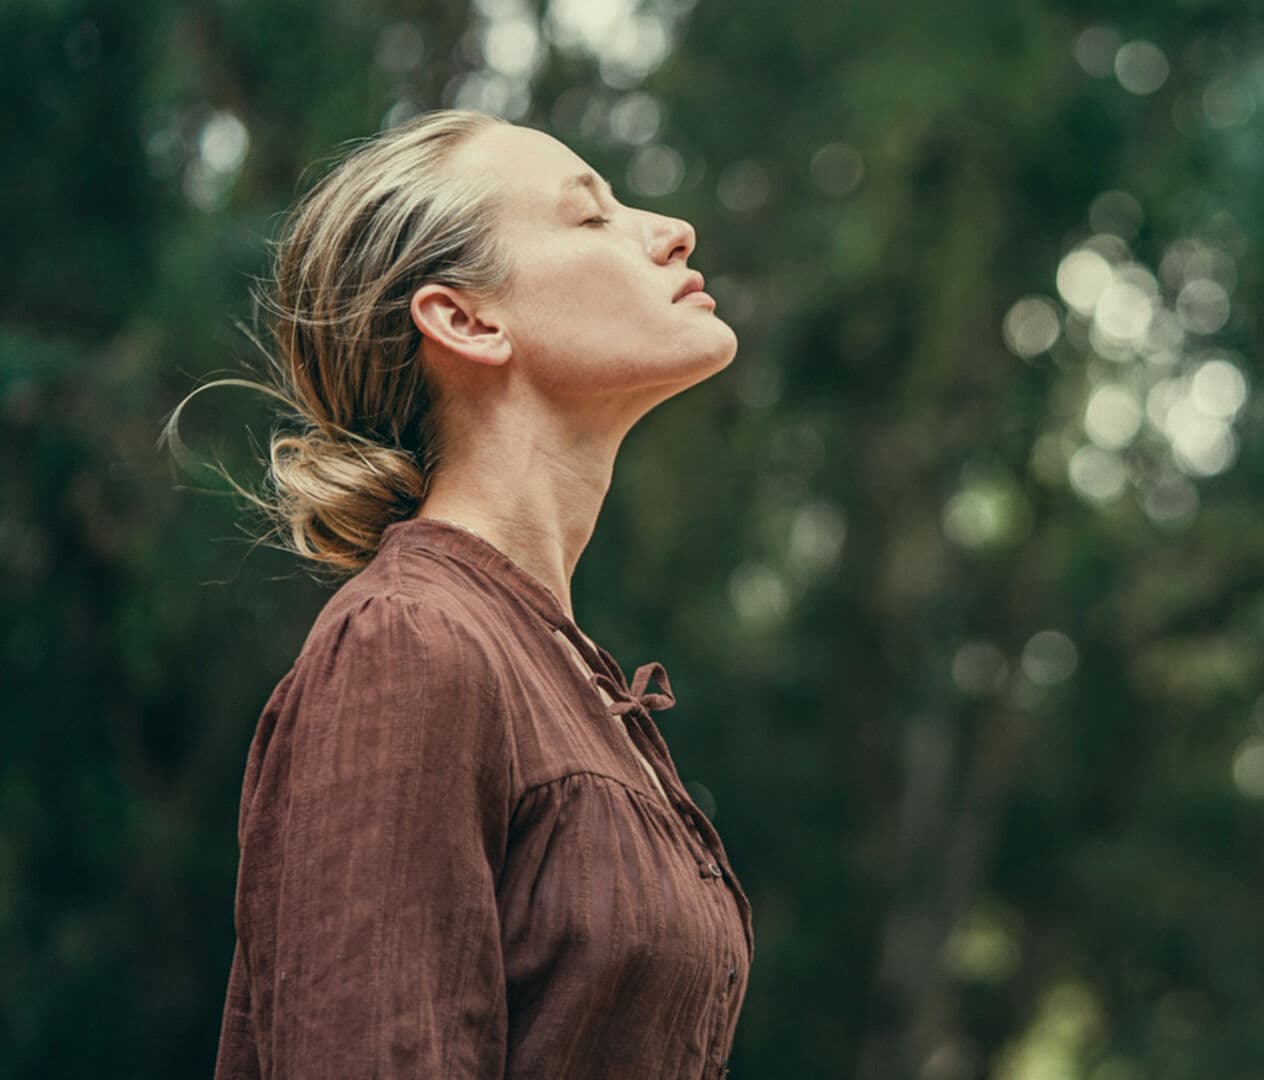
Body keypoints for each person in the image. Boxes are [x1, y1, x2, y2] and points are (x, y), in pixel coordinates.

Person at [175, 108, 752, 1079]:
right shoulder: (408, 646)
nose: (670, 230)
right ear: (464, 319)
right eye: (589, 216)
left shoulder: (554, 670)